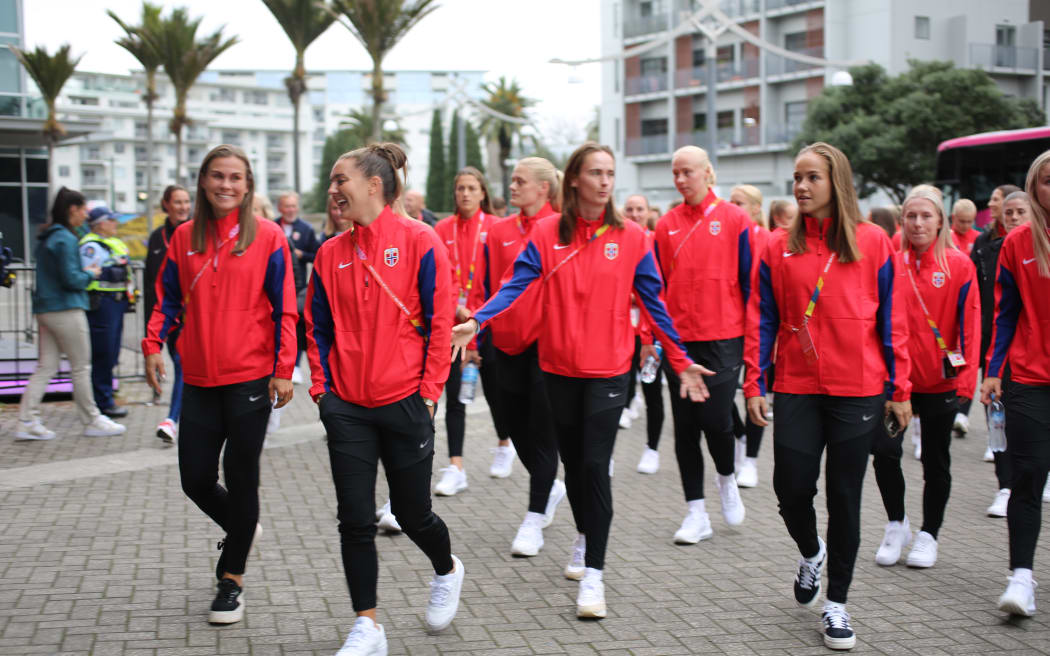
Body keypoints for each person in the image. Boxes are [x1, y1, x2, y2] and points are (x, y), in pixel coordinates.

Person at [453, 142, 712, 620]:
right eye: (595, 172)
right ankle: (583, 533)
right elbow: (515, 283)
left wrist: (681, 360)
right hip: (557, 370)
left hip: (610, 372)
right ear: (574, 179)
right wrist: (479, 321)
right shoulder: (549, 232)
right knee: (573, 469)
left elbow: (655, 303)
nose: (605, 181)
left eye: (610, 172)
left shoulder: (633, 236)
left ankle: (594, 574)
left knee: (594, 467)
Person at [744, 142, 911, 650]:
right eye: (796, 177)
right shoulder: (777, 246)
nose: (800, 186)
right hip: (795, 384)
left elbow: (894, 319)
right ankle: (810, 550)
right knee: (790, 488)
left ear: (835, 182)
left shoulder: (874, 241)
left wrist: (900, 388)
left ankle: (836, 602)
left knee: (845, 498)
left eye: (811, 177)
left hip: (858, 389)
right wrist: (755, 381)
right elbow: (761, 317)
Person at [307, 143, 464, 654]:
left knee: (415, 515)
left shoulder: (421, 241)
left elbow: (440, 325)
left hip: (405, 403)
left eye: (340, 180)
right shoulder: (330, 253)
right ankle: (367, 625)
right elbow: (318, 328)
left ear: (374, 185)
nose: (333, 190)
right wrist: (323, 390)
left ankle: (446, 568)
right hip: (347, 407)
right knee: (354, 518)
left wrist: (428, 394)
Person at [143, 145, 296, 626]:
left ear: (248, 185)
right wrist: (151, 343)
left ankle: (231, 581)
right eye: (217, 176)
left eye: (235, 177)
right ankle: (243, 527)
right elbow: (165, 298)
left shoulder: (269, 237)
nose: (226, 185)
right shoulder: (184, 237)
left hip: (251, 378)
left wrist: (284, 367)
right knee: (195, 478)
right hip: (200, 380)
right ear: (203, 181)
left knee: (241, 473)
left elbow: (285, 308)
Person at [869, 185, 979, 570]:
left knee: (936, 461)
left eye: (925, 216)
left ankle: (929, 534)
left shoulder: (959, 265)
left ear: (940, 221)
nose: (917, 223)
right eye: (911, 216)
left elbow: (970, 328)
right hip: (893, 382)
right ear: (902, 221)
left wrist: (965, 385)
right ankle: (896, 524)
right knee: (884, 453)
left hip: (939, 382)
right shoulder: (889, 263)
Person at [467, 156, 566, 556]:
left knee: (543, 435)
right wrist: (475, 334)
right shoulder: (498, 231)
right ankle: (550, 487)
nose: (511, 187)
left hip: (547, 347)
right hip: (502, 345)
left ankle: (533, 518)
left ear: (543, 188)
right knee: (512, 427)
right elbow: (486, 287)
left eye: (520, 181)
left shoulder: (563, 227)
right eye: (511, 181)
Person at [653, 148, 752, 543]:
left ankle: (726, 478)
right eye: (675, 173)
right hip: (679, 342)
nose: (681, 180)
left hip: (725, 337)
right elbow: (654, 288)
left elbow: (750, 284)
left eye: (687, 172)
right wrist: (654, 339)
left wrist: (756, 343)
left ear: (708, 173)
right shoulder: (666, 225)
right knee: (686, 429)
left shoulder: (735, 219)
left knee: (716, 420)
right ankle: (696, 512)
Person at [981, 151, 1050, 618]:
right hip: (1029, 378)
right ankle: (1020, 577)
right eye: (1046, 182)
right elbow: (1005, 315)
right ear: (1033, 187)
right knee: (1028, 477)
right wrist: (992, 370)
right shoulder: (1017, 243)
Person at [14, 188, 126, 440]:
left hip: (46, 309)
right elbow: (72, 279)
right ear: (72, 210)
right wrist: (91, 273)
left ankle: (26, 420)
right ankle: (92, 419)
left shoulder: (49, 236)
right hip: (66, 308)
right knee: (81, 366)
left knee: (46, 366)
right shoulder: (65, 239)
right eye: (83, 210)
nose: (85, 216)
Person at [433, 167, 513, 494]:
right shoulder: (440, 229)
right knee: (455, 398)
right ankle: (456, 466)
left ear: (483, 193)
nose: (465, 194)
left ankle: (505, 443)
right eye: (460, 188)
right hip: (453, 326)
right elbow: (440, 279)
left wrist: (477, 321)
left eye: (471, 188)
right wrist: (455, 311)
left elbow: (503, 281)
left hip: (487, 325)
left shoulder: (495, 228)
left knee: (496, 395)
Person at [972, 183, 1023, 512]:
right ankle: (1004, 487)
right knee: (998, 413)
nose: (1015, 218)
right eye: (1009, 213)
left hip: (1033, 351)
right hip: (995, 343)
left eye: (1021, 212)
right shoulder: (987, 245)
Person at [621, 193, 668, 474]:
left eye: (640, 209)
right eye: (630, 209)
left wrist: (636, 296)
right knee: (618, 385)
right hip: (622, 327)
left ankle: (652, 449)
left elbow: (658, 290)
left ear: (648, 212)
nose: (635, 213)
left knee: (652, 389)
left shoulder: (656, 242)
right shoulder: (618, 240)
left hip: (650, 330)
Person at [728, 183, 770, 488]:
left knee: (755, 391)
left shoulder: (768, 240)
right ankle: (740, 435)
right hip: (730, 327)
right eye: (730, 202)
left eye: (739, 203)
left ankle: (751, 460)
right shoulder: (725, 238)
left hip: (761, 328)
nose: (733, 208)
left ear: (756, 209)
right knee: (720, 392)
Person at [144, 185, 192, 444]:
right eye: (178, 202)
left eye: (186, 201)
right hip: (165, 319)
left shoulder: (197, 233)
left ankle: (172, 420)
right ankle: (183, 416)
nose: (183, 207)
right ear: (166, 204)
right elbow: (152, 286)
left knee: (183, 366)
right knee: (181, 369)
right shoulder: (156, 238)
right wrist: (151, 337)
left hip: (190, 322)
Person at [78, 205, 133, 419]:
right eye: (111, 220)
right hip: (101, 305)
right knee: (103, 353)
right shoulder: (90, 246)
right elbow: (91, 273)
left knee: (112, 353)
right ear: (100, 223)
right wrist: (113, 270)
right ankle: (103, 402)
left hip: (116, 303)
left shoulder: (113, 242)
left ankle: (106, 396)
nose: (115, 223)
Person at [274, 191, 318, 385]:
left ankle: (296, 366)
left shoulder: (306, 229)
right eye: (287, 206)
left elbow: (316, 255)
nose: (290, 210)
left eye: (293, 206)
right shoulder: (273, 226)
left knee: (296, 323)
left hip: (297, 285)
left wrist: (301, 255)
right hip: (276, 282)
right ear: (280, 208)